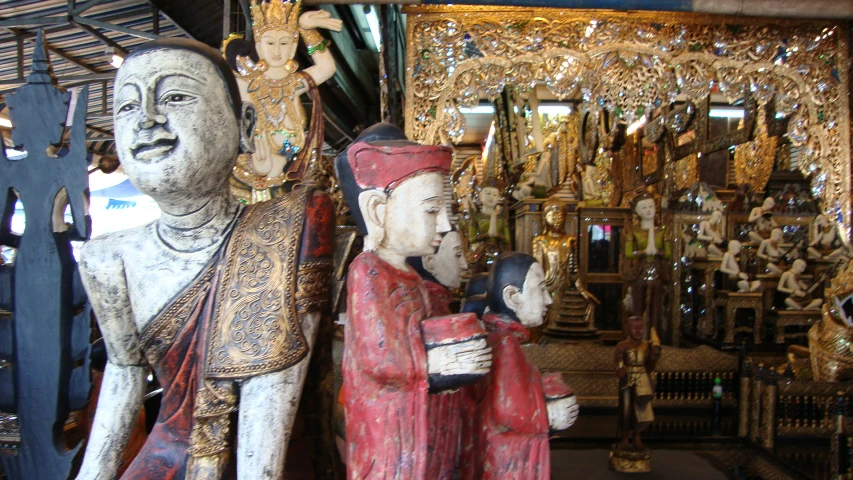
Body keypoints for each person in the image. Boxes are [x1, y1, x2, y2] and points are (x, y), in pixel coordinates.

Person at [76, 38, 334, 479]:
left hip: (256, 460)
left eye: (175, 96)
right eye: (126, 106)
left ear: (244, 126)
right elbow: (124, 372)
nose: (147, 120)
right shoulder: (107, 256)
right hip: (166, 454)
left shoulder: (289, 227)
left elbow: (269, 390)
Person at [336, 123, 492, 480]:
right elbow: (381, 358)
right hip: (386, 430)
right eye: (431, 211)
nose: (444, 225)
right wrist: (440, 361)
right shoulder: (368, 273)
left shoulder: (414, 279)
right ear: (377, 210)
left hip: (417, 423)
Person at [474, 252, 578, 480]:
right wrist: (551, 414)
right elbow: (507, 411)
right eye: (541, 289)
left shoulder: (499, 337)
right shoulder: (505, 344)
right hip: (509, 461)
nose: (549, 299)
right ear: (512, 296)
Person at [228, 0, 342, 202]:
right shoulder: (245, 84)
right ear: (259, 45)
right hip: (245, 182)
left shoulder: (294, 84)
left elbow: (326, 68)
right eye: (270, 43)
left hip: (286, 184)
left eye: (284, 43)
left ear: (292, 48)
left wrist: (307, 29)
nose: (277, 51)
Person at [407, 229, 473, 479]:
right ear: (430, 261)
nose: (464, 264)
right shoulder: (426, 307)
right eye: (457, 254)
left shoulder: (439, 305)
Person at [624, 192, 671, 331]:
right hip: (639, 271)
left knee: (656, 310)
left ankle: (654, 338)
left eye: (651, 206)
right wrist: (642, 253)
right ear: (637, 211)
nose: (649, 209)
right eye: (644, 207)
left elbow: (668, 253)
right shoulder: (633, 231)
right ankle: (637, 337)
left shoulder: (662, 230)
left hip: (657, 272)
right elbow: (628, 253)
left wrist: (656, 252)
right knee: (638, 310)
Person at [614, 316, 661, 452]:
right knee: (626, 409)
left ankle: (637, 437)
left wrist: (653, 358)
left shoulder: (647, 346)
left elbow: (649, 367)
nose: (638, 330)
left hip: (643, 379)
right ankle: (624, 438)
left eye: (641, 327)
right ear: (627, 328)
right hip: (627, 381)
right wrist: (620, 370)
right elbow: (617, 362)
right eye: (635, 327)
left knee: (641, 410)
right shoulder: (621, 346)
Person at [532, 197, 576, 332]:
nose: (557, 218)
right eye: (552, 215)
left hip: (565, 285)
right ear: (545, 218)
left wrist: (579, 286)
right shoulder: (540, 240)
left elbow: (573, 268)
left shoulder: (569, 240)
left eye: (560, 215)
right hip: (547, 284)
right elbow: (537, 268)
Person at [468, 180, 511, 271]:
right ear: (480, 196)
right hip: (481, 253)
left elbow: (507, 240)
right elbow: (471, 239)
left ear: (498, 198)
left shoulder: (502, 218)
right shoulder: (476, 217)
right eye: (488, 193)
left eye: (495, 195)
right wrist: (486, 235)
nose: (491, 197)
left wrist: (497, 235)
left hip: (498, 252)